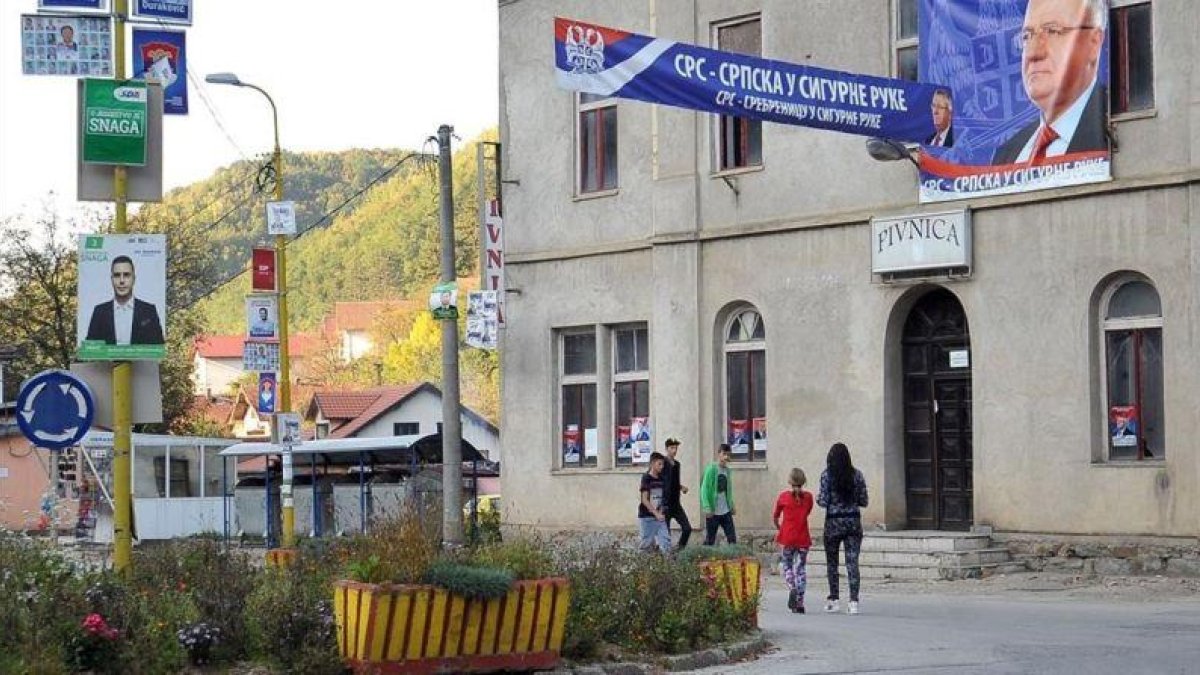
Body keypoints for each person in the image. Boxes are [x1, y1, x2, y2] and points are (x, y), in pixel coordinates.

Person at [991, 0, 1108, 165]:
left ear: (1094, 43)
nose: (1032, 53)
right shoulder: (1007, 154)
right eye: (1027, 36)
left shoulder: (1121, 130)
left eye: (1052, 31)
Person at [817, 442, 869, 615]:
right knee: (852, 562)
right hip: (853, 522)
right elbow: (864, 501)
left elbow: (823, 501)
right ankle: (853, 601)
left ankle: (834, 599)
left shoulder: (827, 476)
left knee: (832, 563)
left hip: (833, 523)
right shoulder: (857, 475)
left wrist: (820, 499)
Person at [85, 255, 164, 345]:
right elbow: (90, 349)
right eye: (117, 275)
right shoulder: (99, 311)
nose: (121, 281)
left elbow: (159, 348)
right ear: (112, 279)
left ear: (133, 279)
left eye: (126, 275)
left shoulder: (149, 311)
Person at [774, 468, 814, 614]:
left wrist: (780, 527)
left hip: (787, 537)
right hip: (803, 538)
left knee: (787, 566)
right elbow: (807, 511)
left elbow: (776, 516)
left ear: (790, 481)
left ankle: (792, 587)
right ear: (803, 481)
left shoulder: (783, 497)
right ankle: (800, 603)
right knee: (801, 569)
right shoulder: (809, 497)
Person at [700, 443, 736, 545]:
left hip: (725, 511)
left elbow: (728, 490)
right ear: (719, 454)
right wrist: (707, 507)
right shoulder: (711, 469)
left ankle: (734, 559)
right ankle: (704, 558)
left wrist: (731, 505)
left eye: (728, 455)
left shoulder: (728, 471)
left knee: (732, 539)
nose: (726, 457)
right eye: (724, 454)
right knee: (710, 540)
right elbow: (704, 489)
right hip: (713, 511)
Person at [661, 437, 693, 550]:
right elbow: (661, 481)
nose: (674, 450)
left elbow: (673, 482)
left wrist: (681, 487)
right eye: (672, 448)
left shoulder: (677, 464)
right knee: (666, 534)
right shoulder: (662, 464)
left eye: (676, 448)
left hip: (676, 503)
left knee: (687, 528)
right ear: (666, 449)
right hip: (665, 504)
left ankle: (679, 550)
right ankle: (666, 557)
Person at [638, 451, 671, 555]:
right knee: (646, 544)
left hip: (659, 517)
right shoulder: (646, 478)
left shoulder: (662, 479)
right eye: (659, 464)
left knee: (666, 541)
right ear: (652, 464)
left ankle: (669, 567)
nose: (661, 467)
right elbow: (644, 499)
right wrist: (655, 513)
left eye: (663, 464)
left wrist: (660, 512)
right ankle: (642, 567)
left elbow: (662, 498)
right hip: (647, 517)